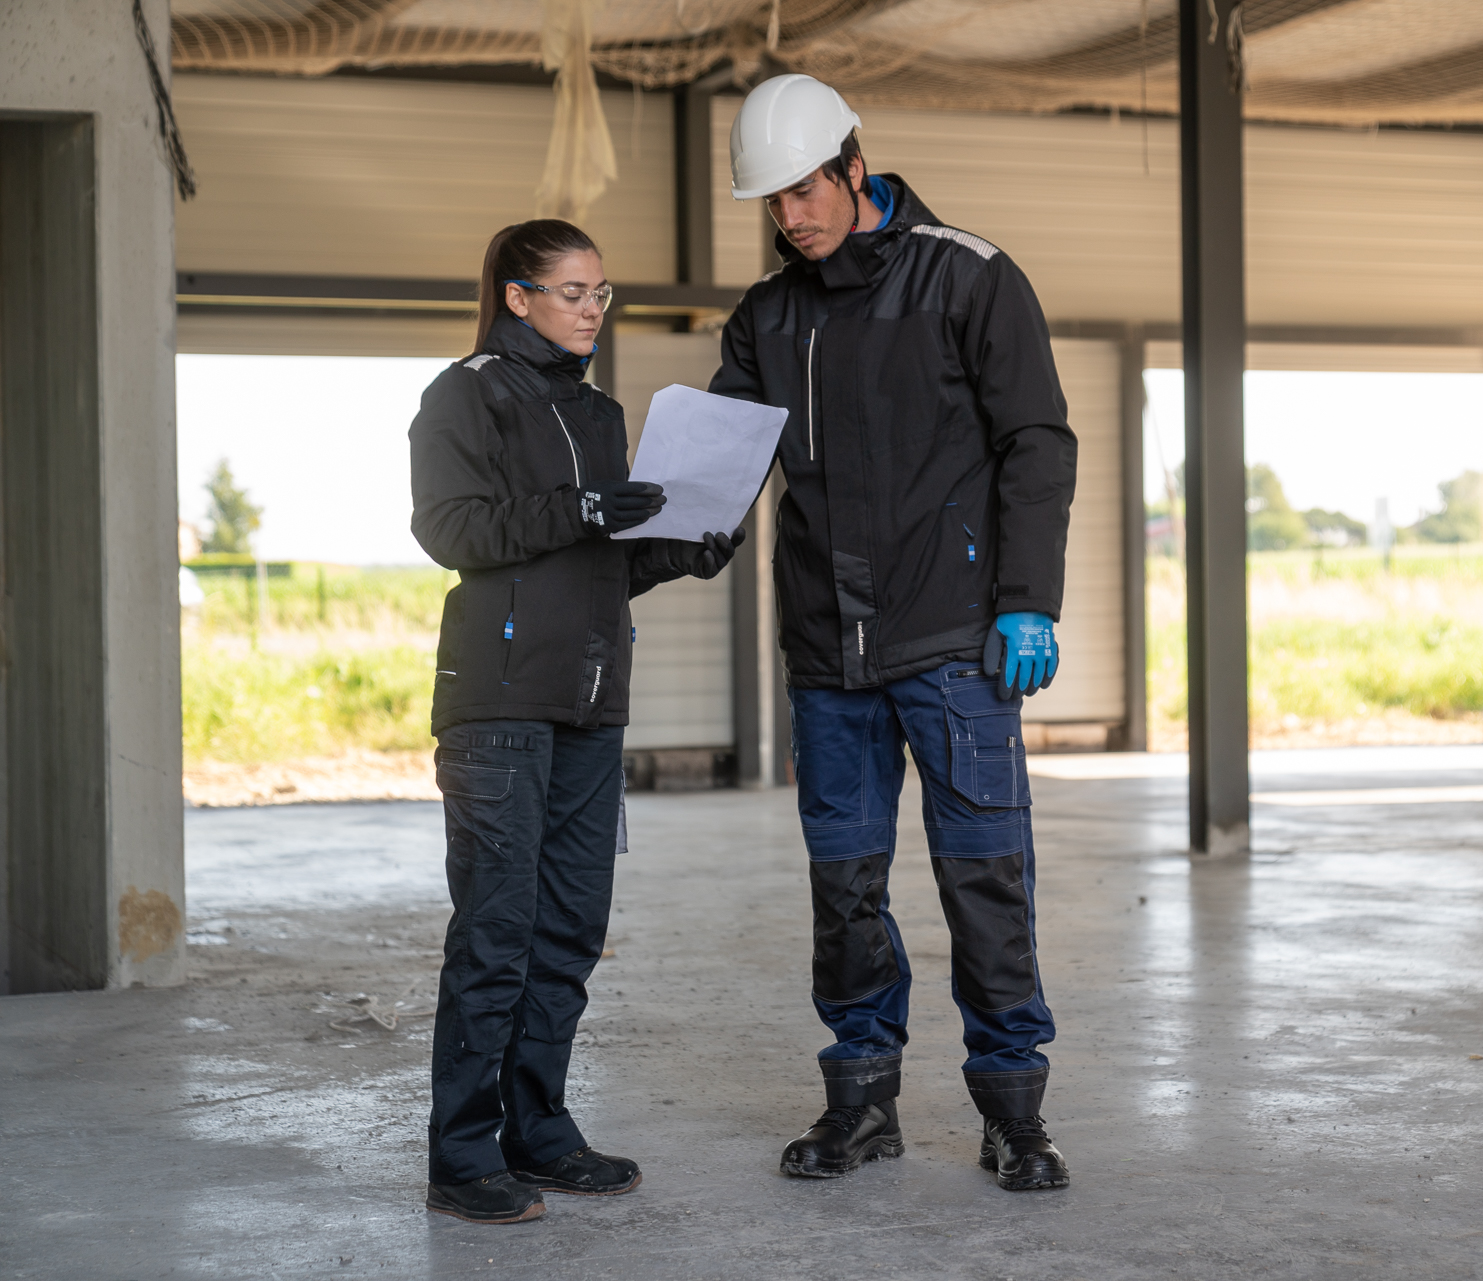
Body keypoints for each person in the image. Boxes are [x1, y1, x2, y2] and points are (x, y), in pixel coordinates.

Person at [711, 75, 1078, 1192]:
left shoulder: (967, 276)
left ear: (854, 167)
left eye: (805, 191)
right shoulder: (767, 317)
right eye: (773, 203)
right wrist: (638, 538)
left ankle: (1014, 1113)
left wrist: (1028, 596)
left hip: (955, 642)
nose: (791, 219)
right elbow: (721, 466)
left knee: (986, 881)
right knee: (846, 888)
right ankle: (861, 1102)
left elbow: (1036, 441)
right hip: (829, 654)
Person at [409, 218, 743, 1224]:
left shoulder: (598, 412)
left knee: (567, 930)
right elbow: (449, 529)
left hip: (591, 703)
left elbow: (601, 566)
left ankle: (540, 1131)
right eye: (572, 292)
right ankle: (463, 1156)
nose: (592, 310)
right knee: (498, 930)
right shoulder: (466, 393)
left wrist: (682, 548)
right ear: (518, 297)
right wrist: (586, 509)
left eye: (602, 293)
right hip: (499, 705)